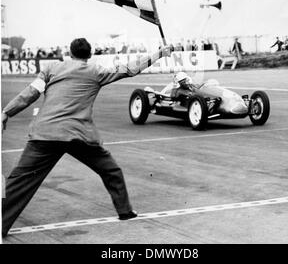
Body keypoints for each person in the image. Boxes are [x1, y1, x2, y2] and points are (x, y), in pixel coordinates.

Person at [1, 37, 170, 237]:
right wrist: (159, 53)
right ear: (89, 56)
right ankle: (125, 211)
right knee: (111, 170)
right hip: (78, 135)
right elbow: (130, 69)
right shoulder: (96, 71)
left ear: (70, 53)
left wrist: (6, 112)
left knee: (18, 182)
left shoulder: (51, 68)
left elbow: (30, 93)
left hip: (45, 134)